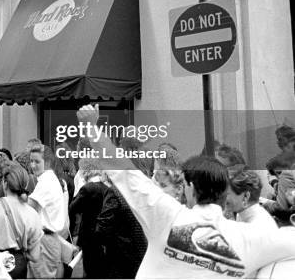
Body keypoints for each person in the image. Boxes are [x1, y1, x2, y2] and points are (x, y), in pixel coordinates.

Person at [76, 104, 295, 279]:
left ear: (189, 187)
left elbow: (122, 170)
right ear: (224, 193)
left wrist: (91, 126)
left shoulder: (167, 216)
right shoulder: (249, 237)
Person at [28, 144, 69, 279]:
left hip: (44, 242)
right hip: (49, 240)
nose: (33, 165)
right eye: (31, 161)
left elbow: (29, 208)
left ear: (48, 162)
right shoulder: (49, 179)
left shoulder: (46, 181)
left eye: (37, 161)